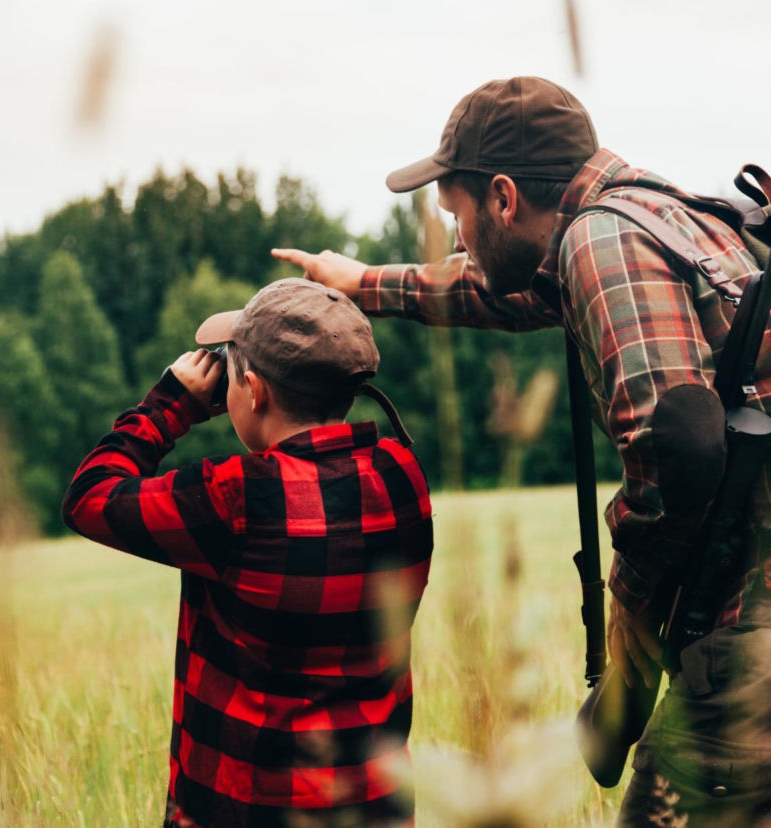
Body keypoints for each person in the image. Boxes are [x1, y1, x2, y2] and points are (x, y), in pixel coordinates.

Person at [272, 76, 771, 826]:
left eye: (459, 217)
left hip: (749, 631)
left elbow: (683, 451)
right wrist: (364, 284)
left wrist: (629, 607)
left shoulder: (601, 244)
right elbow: (493, 292)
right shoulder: (667, 216)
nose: (461, 238)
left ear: (504, 198)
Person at [62, 277, 434, 827]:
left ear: (255, 391)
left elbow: (89, 497)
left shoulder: (235, 499)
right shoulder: (402, 474)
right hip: (375, 808)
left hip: (247, 810)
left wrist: (170, 407)